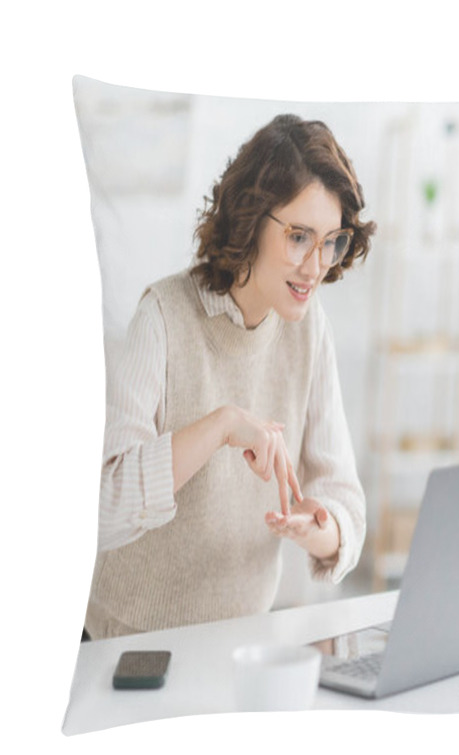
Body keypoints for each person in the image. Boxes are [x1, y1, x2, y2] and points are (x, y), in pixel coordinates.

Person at [84, 114, 376, 639]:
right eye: (298, 237)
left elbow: (345, 503)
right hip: (127, 644)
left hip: (239, 643)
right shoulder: (163, 317)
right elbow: (102, 507)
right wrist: (220, 427)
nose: (315, 267)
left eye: (330, 241)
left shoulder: (309, 330)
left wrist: (320, 529)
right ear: (249, 220)